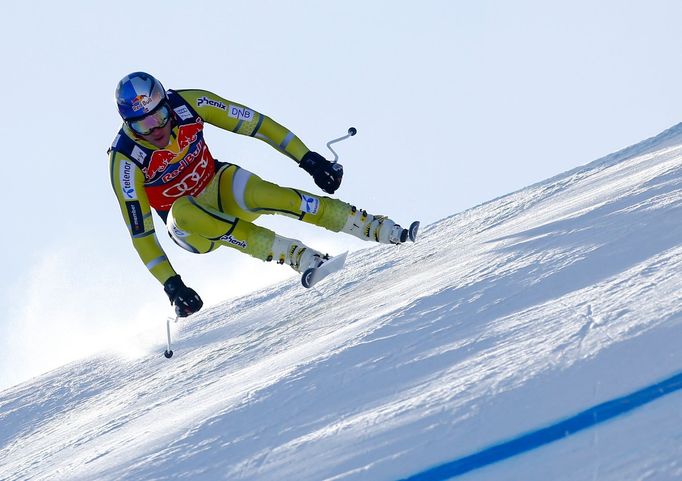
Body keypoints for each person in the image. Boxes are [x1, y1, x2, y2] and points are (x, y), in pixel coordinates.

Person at [109, 72, 418, 318]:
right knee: (182, 210)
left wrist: (308, 159)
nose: (157, 128)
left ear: (166, 102)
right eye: (144, 124)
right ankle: (293, 254)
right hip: (191, 228)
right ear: (128, 124)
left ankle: (368, 224)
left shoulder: (189, 104)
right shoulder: (126, 160)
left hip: (217, 184)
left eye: (160, 115)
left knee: (271, 195)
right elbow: (142, 235)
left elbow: (257, 124)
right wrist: (172, 286)